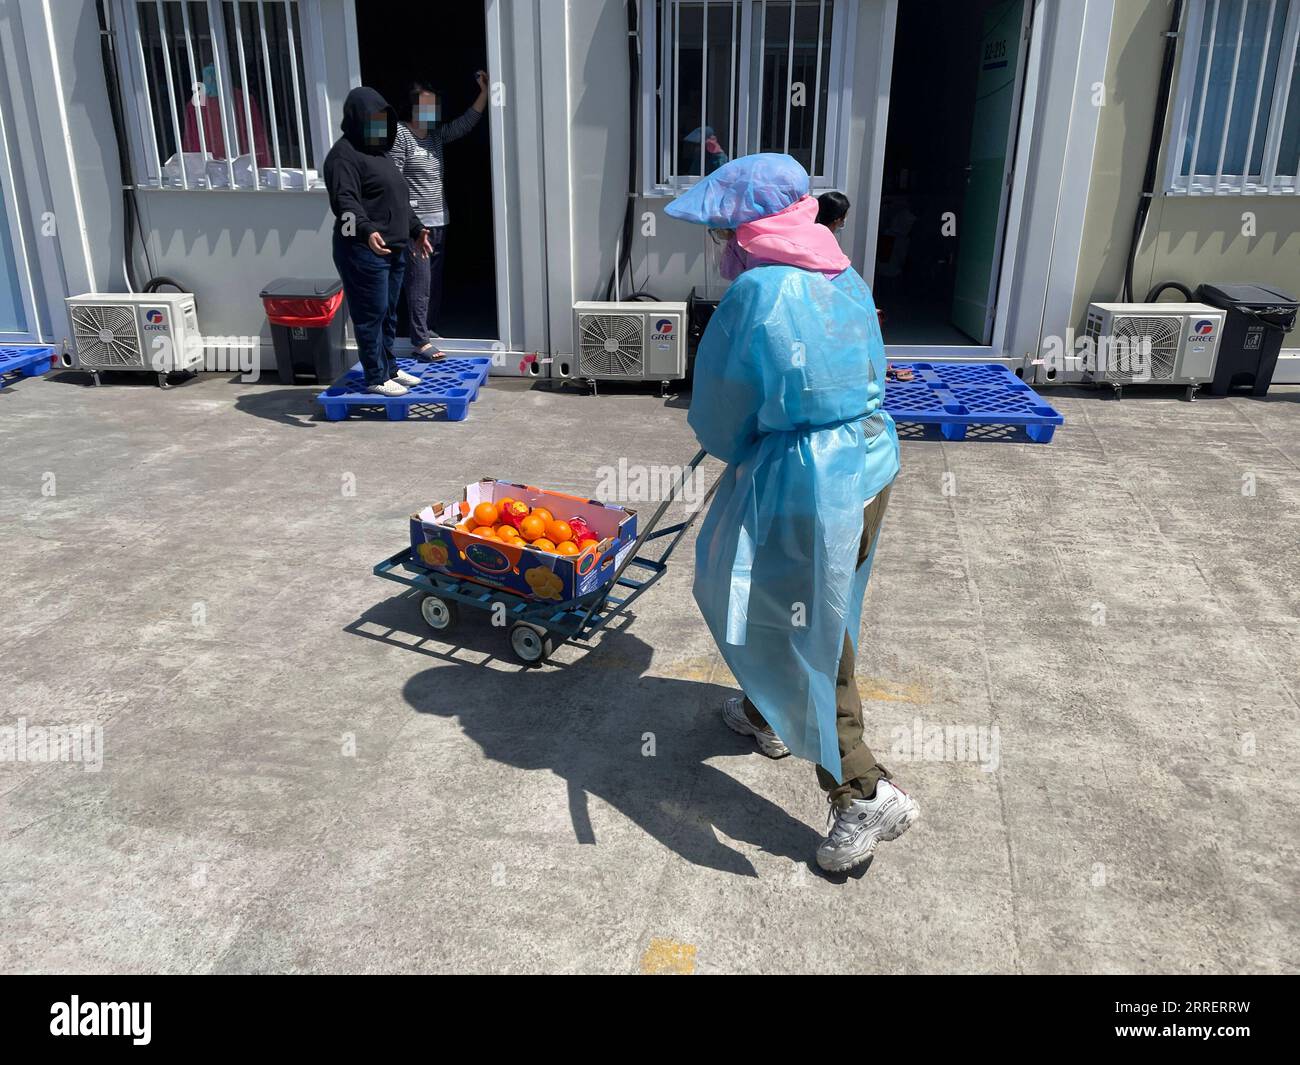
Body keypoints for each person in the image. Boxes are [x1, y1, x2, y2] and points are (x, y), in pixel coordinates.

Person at [666, 153, 918, 874]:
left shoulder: (757, 294)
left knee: (809, 627)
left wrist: (738, 442)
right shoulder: (842, 270)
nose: (722, 247)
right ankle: (766, 711)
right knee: (803, 603)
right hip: (869, 465)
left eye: (725, 232)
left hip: (810, 483)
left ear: (748, 231)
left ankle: (863, 790)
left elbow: (720, 412)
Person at [324, 87, 431, 397]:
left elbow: (396, 199)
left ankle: (390, 369)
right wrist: (366, 230)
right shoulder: (343, 156)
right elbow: (345, 202)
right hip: (362, 249)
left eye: (384, 121)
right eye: (373, 120)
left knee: (388, 313)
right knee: (371, 313)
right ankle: (374, 376)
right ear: (358, 119)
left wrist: (416, 229)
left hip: (393, 248)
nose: (380, 127)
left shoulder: (379, 153)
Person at [388, 73, 489, 359]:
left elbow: (465, 124)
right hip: (416, 226)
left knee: (433, 281)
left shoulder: (434, 135)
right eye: (426, 106)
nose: (432, 112)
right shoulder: (400, 135)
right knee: (418, 282)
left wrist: (484, 92)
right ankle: (420, 341)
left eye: (435, 106)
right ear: (411, 107)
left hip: (440, 221)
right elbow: (393, 182)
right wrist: (412, 225)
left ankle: (428, 329)